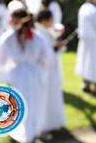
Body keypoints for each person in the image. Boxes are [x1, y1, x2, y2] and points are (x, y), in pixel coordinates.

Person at [0, 10, 51, 142]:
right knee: (35, 103)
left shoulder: (8, 36)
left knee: (17, 104)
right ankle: (33, 131)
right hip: (35, 73)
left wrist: (8, 66)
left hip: (17, 73)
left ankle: (21, 132)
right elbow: (46, 58)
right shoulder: (38, 36)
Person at [35, 9, 66, 139]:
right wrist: (55, 48)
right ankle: (42, 127)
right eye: (50, 19)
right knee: (44, 98)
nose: (52, 22)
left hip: (51, 70)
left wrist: (57, 46)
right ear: (44, 20)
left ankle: (52, 123)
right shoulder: (39, 33)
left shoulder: (46, 32)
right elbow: (43, 53)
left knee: (51, 96)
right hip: (44, 72)